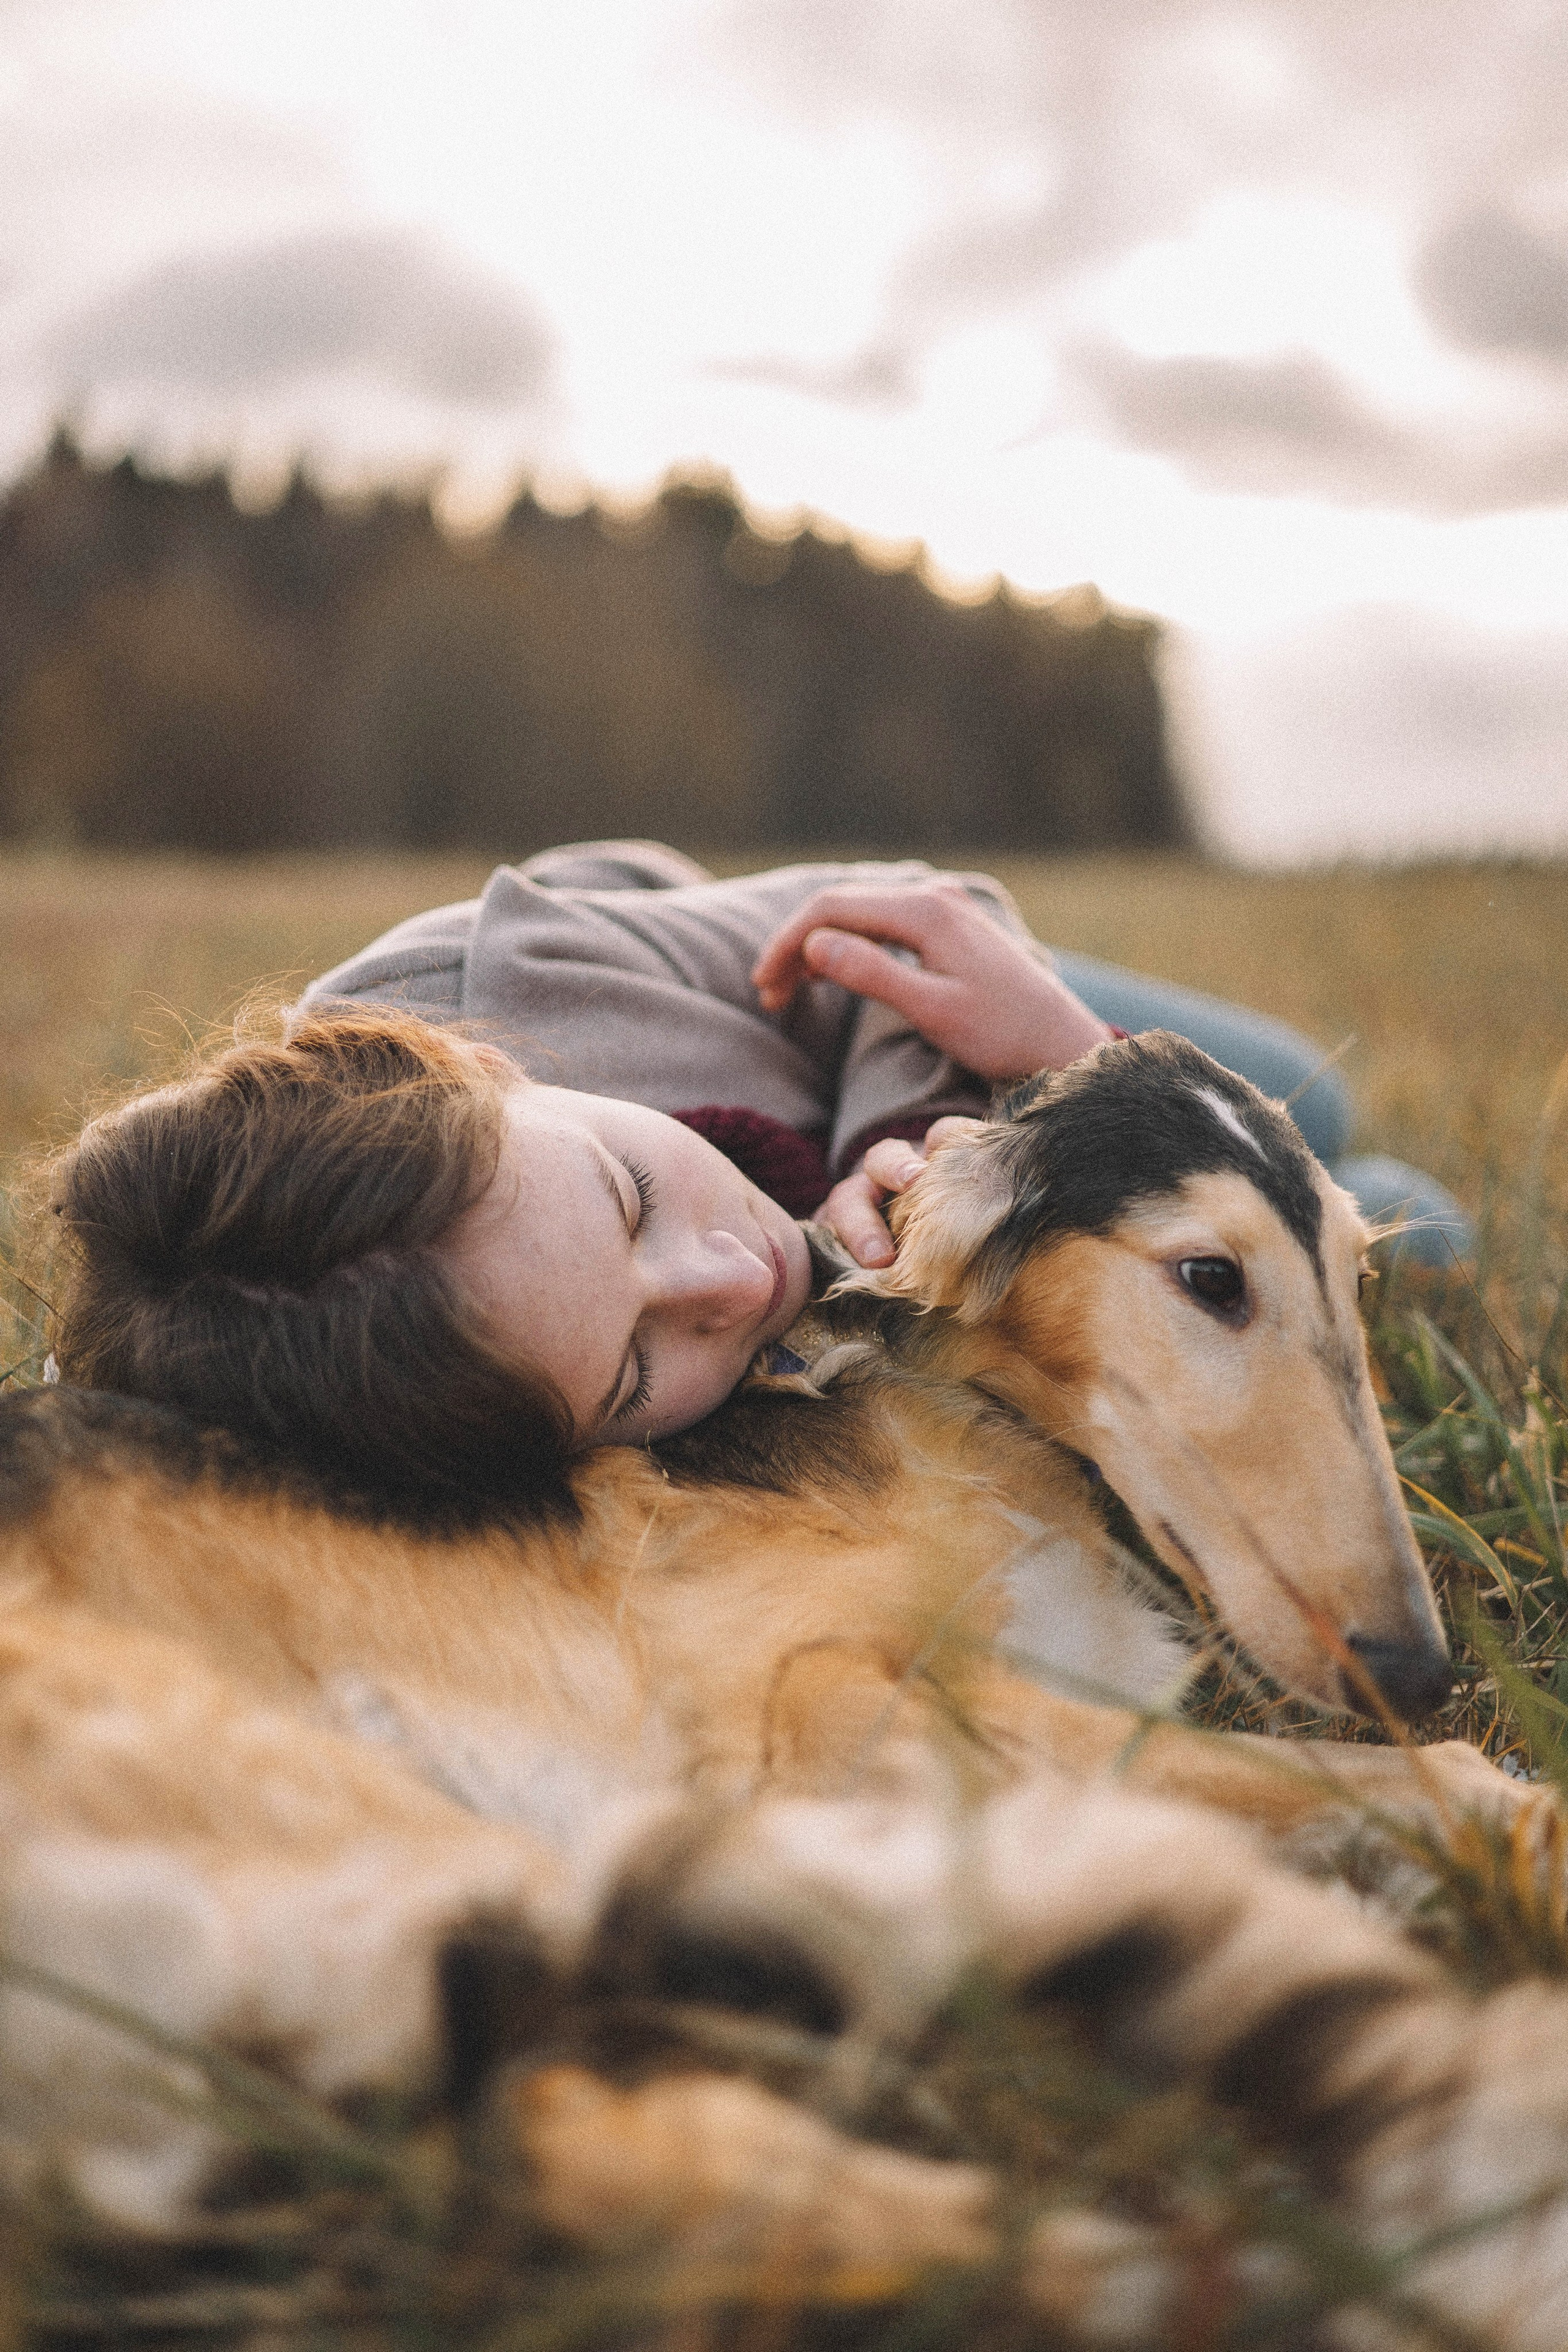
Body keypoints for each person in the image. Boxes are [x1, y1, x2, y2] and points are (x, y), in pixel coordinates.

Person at [46, 843, 1468, 1523]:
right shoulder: (450, 1389)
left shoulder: (494, 969)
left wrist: (966, 1107)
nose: (733, 1282)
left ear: (470, 1064)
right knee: (1427, 1235)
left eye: (628, 1197)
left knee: (1310, 1100)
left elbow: (910, 920)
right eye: (630, 1370)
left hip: (909, 1014)